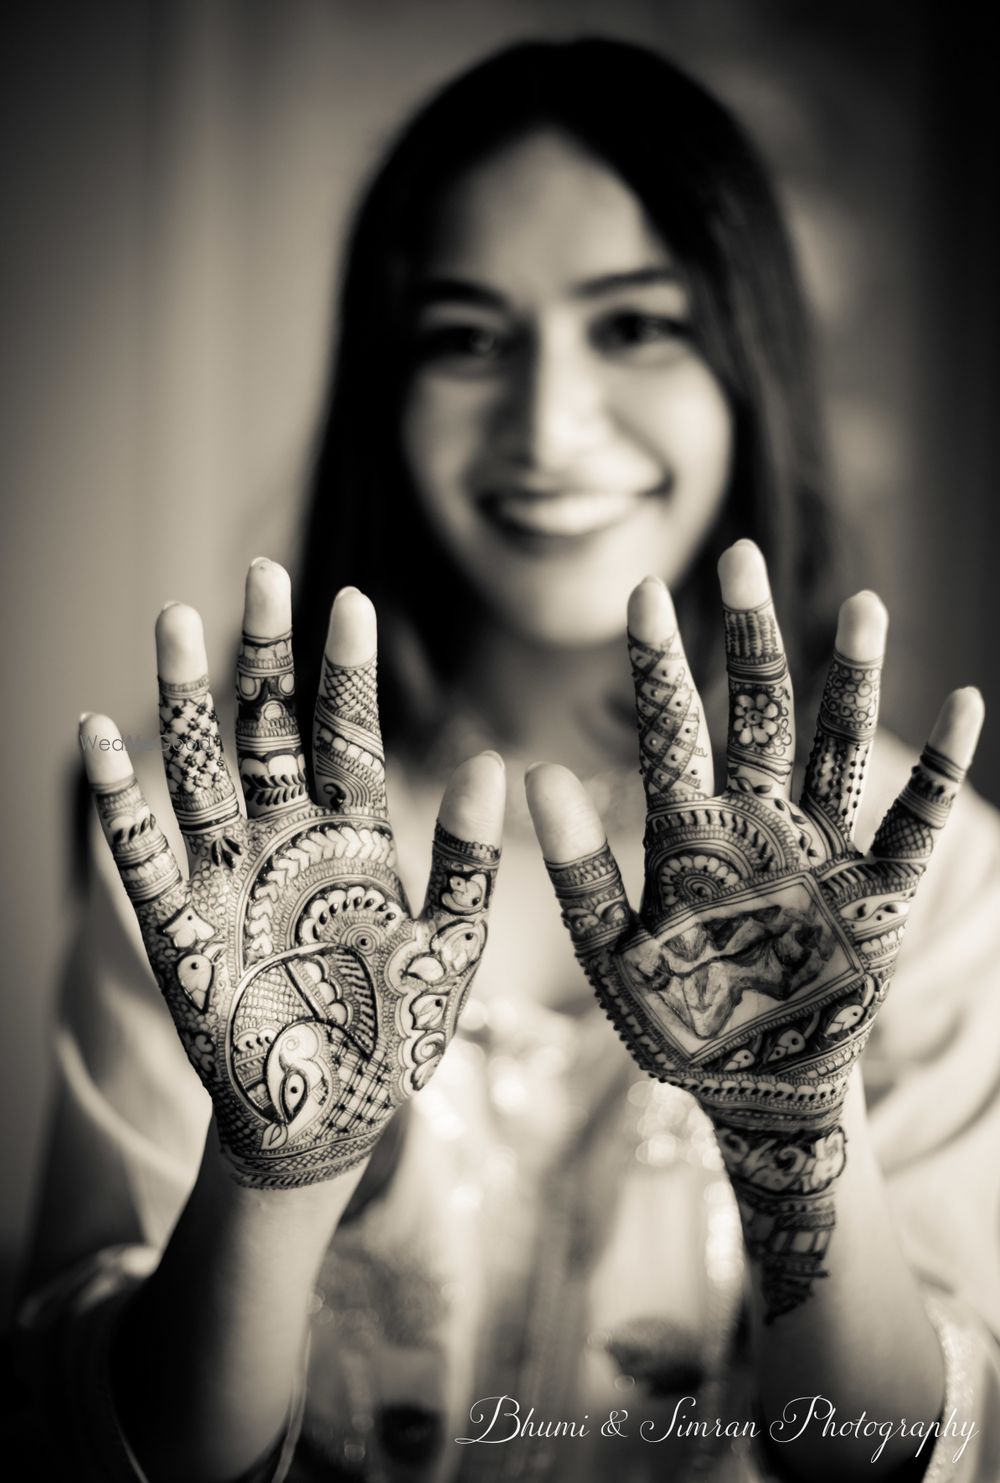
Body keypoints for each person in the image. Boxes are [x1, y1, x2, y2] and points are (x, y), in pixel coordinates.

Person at [18, 36, 1000, 1483]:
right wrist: (274, 1172)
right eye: (467, 337)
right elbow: (104, 1445)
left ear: (749, 361)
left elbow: (899, 1454)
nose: (546, 424)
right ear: (385, 388)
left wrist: (800, 1158)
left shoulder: (914, 875)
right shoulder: (215, 866)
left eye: (636, 326)